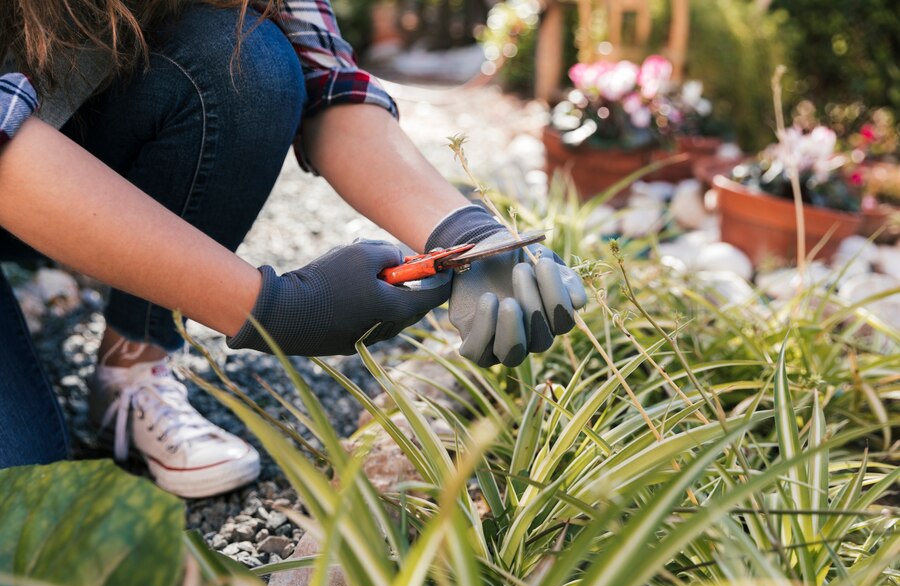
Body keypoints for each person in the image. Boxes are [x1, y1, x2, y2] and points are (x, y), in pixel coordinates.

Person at [0, 0, 586, 498]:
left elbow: (330, 86)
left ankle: (133, 366)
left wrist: (464, 232)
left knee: (250, 62)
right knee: (16, 524)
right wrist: (271, 307)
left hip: (53, 152)